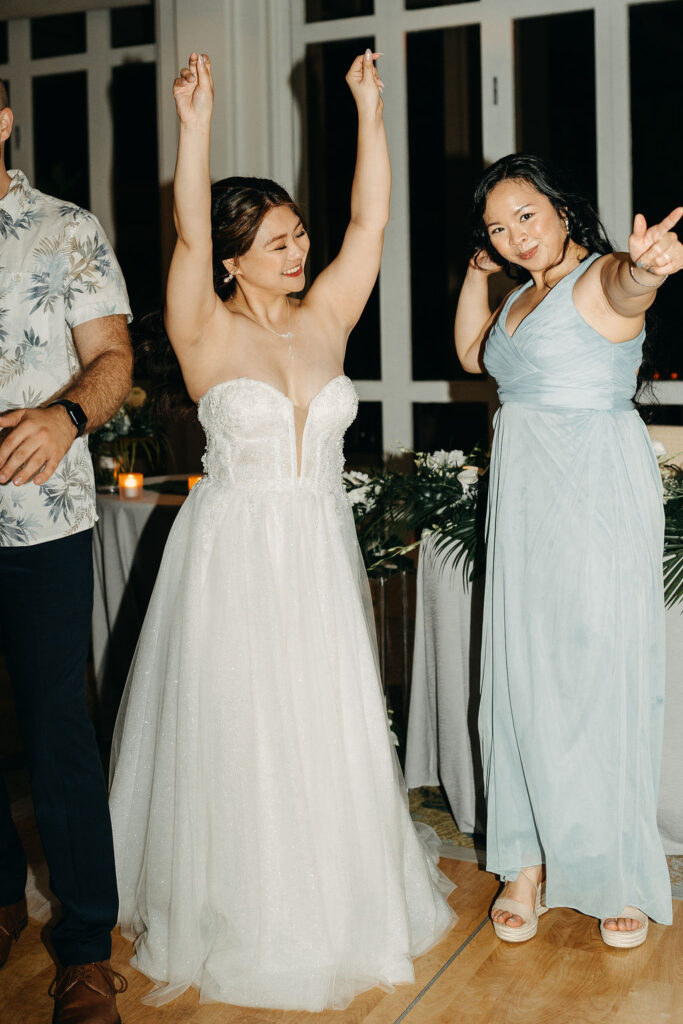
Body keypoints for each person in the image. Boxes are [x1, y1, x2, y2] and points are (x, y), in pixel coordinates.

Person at [109, 50, 454, 1011]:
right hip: (233, 558)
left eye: (297, 234)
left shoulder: (328, 319)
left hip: (315, 552)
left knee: (326, 726)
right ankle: (249, 914)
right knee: (245, 735)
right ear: (229, 258)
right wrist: (195, 126)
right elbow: (181, 238)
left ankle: (341, 898)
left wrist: (369, 110)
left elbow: (372, 221)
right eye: (272, 242)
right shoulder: (202, 329)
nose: (297, 252)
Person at [454, 153, 681, 948]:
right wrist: (478, 274)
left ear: (558, 207)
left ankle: (617, 865)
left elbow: (626, 288)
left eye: (525, 215)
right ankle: (526, 862)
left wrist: (646, 271)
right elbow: (471, 357)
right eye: (496, 227)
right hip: (524, 504)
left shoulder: (595, 277)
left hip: (592, 496)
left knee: (597, 674)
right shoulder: (521, 293)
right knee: (522, 673)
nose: (516, 234)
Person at [0, 81, 133, 1021]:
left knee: (56, 728)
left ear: (4, 118)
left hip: (41, 517)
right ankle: (2, 894)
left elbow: (116, 357)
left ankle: (86, 944)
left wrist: (66, 413)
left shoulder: (66, 228)